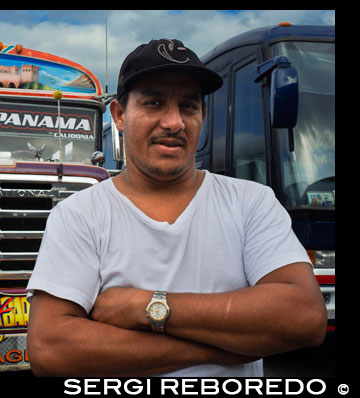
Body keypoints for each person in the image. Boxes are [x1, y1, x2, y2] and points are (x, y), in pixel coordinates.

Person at [26, 38, 326, 377]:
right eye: (154, 103)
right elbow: (50, 348)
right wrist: (220, 348)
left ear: (203, 116)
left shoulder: (251, 203)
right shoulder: (80, 215)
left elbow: (304, 317)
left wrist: (146, 306)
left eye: (188, 106)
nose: (174, 122)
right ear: (120, 115)